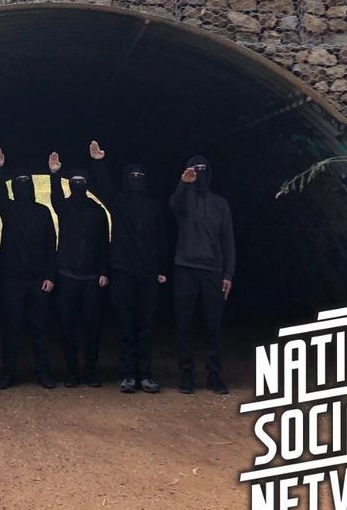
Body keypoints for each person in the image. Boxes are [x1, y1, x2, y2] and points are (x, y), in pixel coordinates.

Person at [89, 140, 167, 393]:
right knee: (125, 324)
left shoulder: (154, 206)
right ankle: (127, 375)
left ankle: (145, 374)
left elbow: (161, 238)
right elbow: (103, 187)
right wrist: (98, 162)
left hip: (147, 274)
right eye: (132, 177)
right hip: (123, 271)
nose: (136, 180)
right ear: (126, 179)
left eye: (140, 177)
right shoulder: (118, 203)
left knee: (145, 325)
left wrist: (161, 269)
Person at [0, 147, 57, 390]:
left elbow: (52, 244)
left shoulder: (43, 212)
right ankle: (8, 373)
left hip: (38, 280)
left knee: (40, 328)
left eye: (25, 184)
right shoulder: (8, 209)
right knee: (12, 328)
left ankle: (43, 373)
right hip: (13, 280)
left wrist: (51, 275)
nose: (22, 187)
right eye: (17, 184)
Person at [169, 156, 235, 395]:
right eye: (194, 169)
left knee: (213, 325)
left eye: (202, 170)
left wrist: (228, 273)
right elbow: (174, 206)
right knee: (184, 323)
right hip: (185, 267)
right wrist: (183, 184)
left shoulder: (220, 204)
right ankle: (186, 373)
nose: (199, 174)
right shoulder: (184, 199)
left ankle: (214, 374)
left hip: (213, 271)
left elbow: (228, 240)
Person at [48, 151, 109, 387]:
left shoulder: (98, 211)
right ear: (70, 185)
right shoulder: (65, 208)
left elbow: (105, 242)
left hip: (92, 277)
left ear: (87, 186)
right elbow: (55, 199)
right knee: (67, 326)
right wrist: (54, 175)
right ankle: (72, 372)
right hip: (66, 275)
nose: (78, 186)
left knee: (92, 327)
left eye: (81, 183)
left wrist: (105, 270)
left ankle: (91, 370)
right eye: (74, 183)